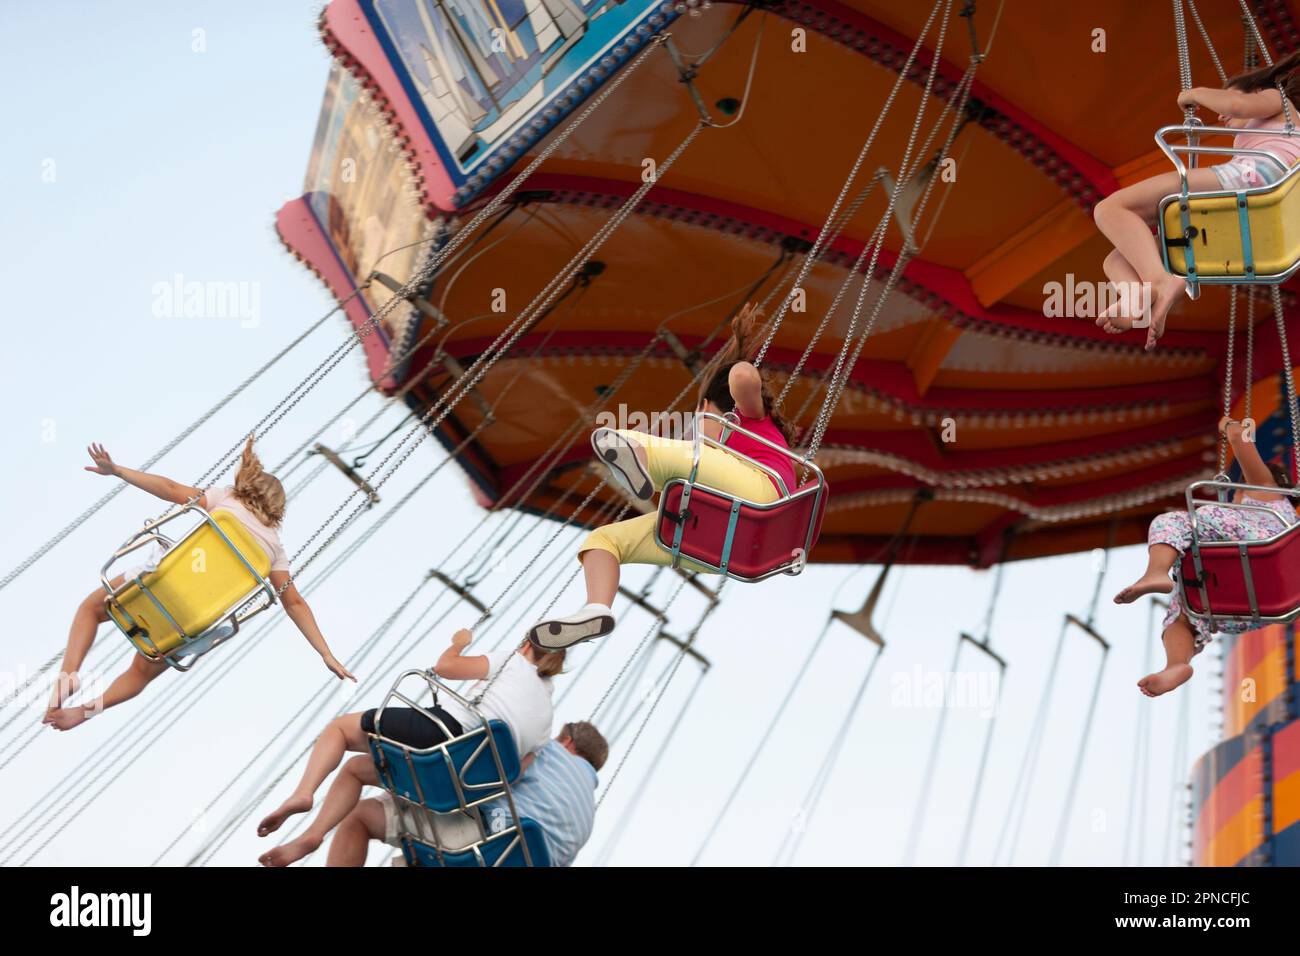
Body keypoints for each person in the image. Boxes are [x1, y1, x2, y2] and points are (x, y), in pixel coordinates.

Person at [529, 304, 797, 650]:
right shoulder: (713, 464)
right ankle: (596, 607)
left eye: (700, 418)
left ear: (717, 410)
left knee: (634, 439)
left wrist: (738, 369)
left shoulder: (751, 419)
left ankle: (640, 463)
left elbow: (743, 378)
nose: (694, 429)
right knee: (603, 541)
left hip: (761, 497)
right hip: (725, 543)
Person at [44, 438, 354, 731]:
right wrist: (325, 654)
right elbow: (294, 602)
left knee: (90, 608)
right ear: (278, 509)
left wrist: (119, 471)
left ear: (247, 486)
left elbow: (168, 489)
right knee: (140, 674)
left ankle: (69, 675)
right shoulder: (275, 551)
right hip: (191, 623)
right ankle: (84, 713)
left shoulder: (226, 500)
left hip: (159, 589)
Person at [255, 629, 563, 866]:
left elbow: (445, 667)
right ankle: (309, 838)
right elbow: (513, 775)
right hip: (457, 789)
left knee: (340, 729)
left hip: (443, 736)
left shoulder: (512, 662)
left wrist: (459, 642)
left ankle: (304, 795)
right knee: (356, 770)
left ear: (526, 645)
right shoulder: (546, 721)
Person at [1092, 53, 1300, 349]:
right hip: (1251, 198)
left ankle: (1158, 280)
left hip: (1255, 179)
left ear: (1255, 89)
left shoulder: (1277, 101)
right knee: (1116, 259)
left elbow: (1237, 105)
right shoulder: (1266, 132)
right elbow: (1236, 106)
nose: (1219, 115)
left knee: (1111, 208)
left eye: (1223, 98)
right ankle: (1138, 295)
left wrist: (1195, 93)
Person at [1114, 417, 1297, 696]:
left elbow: (1240, 438)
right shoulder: (1286, 520)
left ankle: (1156, 572)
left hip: (1254, 557)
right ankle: (1176, 665)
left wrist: (1228, 426)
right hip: (1260, 608)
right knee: (1182, 616)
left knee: (1176, 522)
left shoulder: (1263, 490)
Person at [327, 721, 608, 867]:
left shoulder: (546, 748)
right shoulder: (587, 821)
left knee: (362, 815)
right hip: (502, 859)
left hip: (485, 843)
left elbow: (494, 775)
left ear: (567, 741)